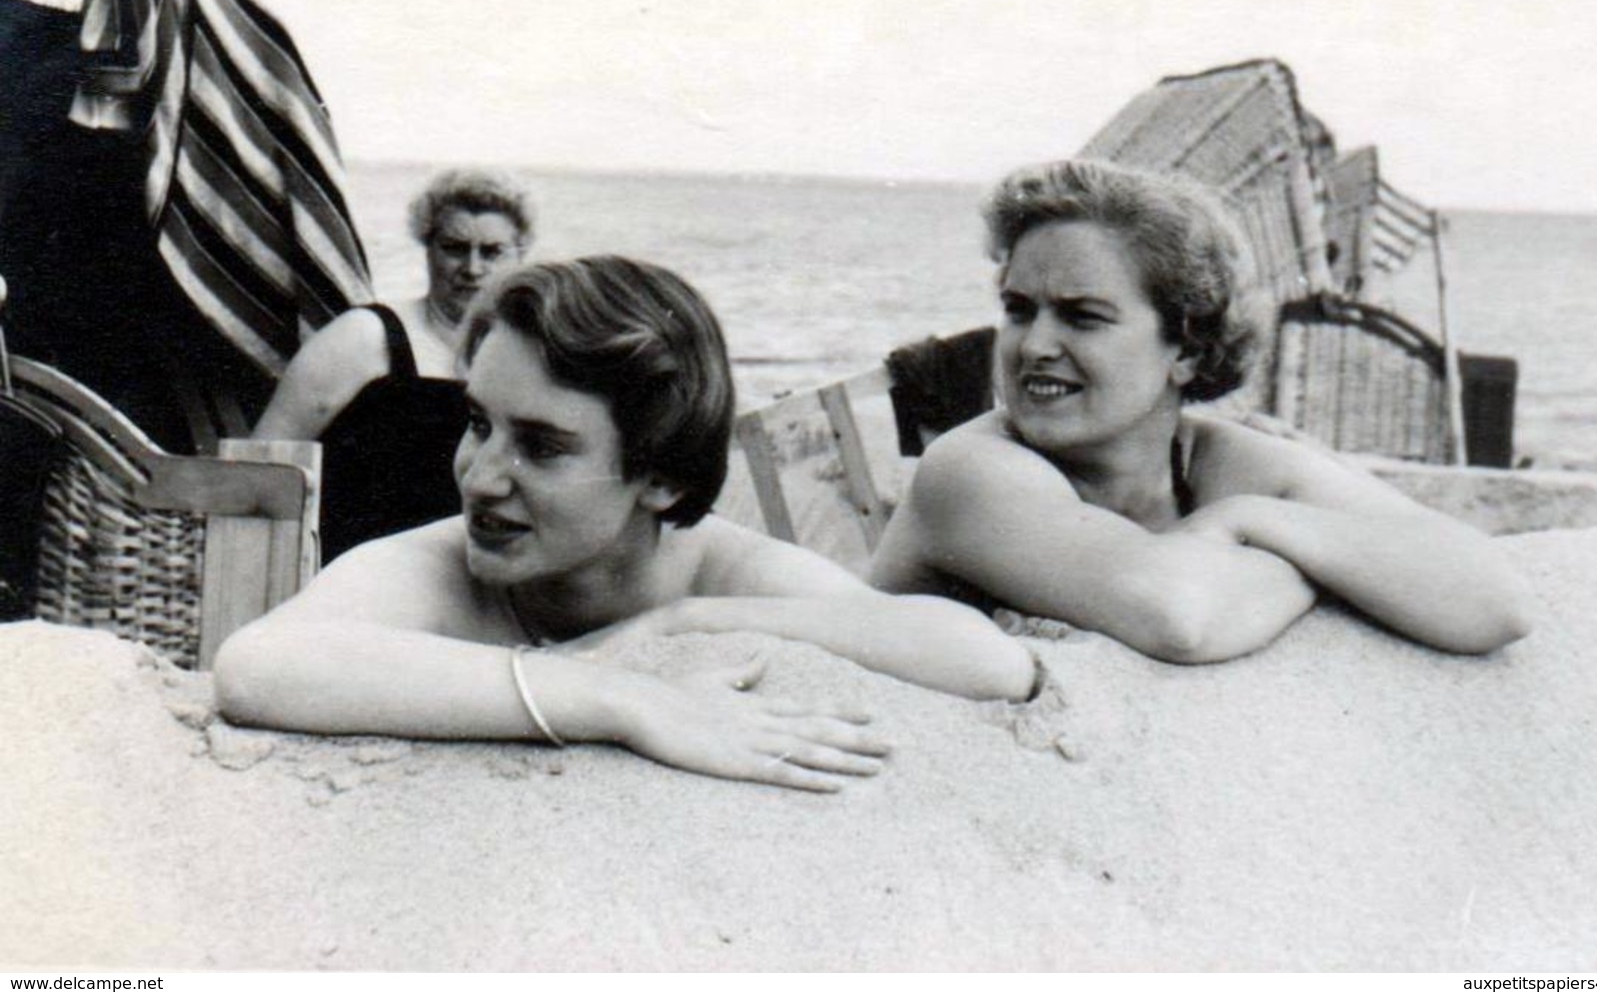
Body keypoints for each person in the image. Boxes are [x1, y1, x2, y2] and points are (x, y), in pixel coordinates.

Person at [216, 256, 1038, 793]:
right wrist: (614, 696)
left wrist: (683, 620)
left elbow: (989, 663)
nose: (480, 474)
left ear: (662, 475)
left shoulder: (724, 571)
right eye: (477, 423)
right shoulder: (443, 562)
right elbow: (259, 667)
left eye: (541, 446)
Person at [869, 158, 1536, 662]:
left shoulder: (1218, 462)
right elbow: (1179, 616)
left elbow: (1492, 601)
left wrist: (1249, 518)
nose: (1034, 345)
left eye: (1082, 317)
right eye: (1018, 310)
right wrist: (1328, 563)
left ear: (1184, 350)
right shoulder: (970, 471)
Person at [252, 169, 534, 562]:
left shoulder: (528, 358)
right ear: (427, 247)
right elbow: (259, 463)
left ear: (521, 254)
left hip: (465, 576)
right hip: (350, 572)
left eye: (491, 251)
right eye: (454, 247)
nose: (472, 268)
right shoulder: (363, 337)